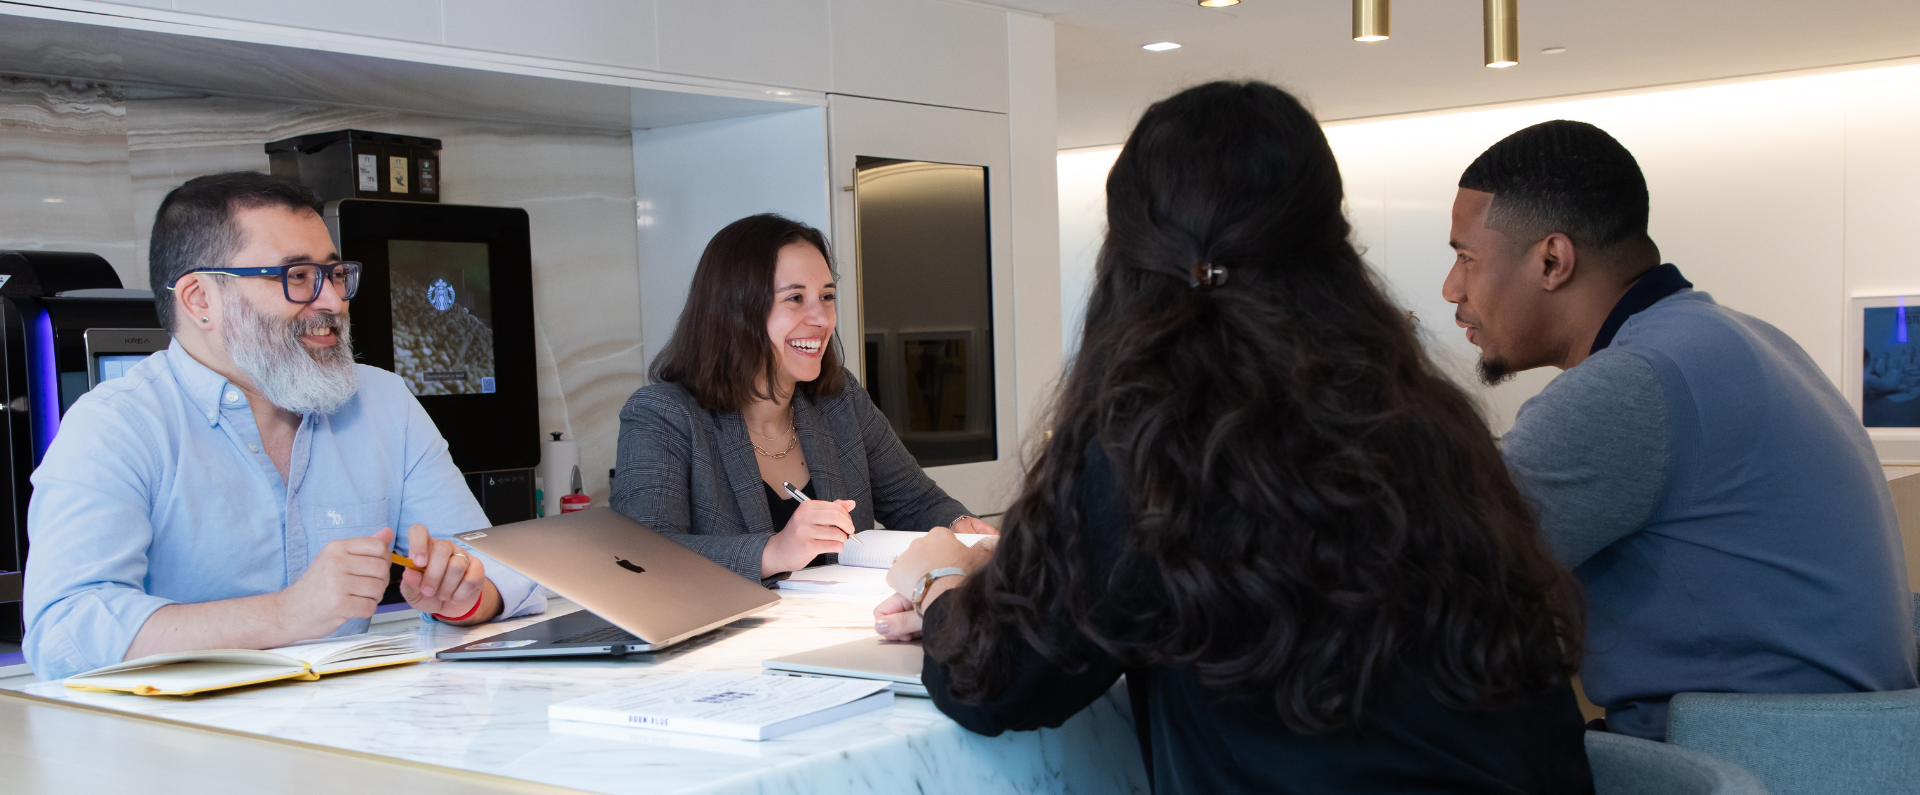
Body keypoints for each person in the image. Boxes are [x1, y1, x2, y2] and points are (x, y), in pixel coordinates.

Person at [874, 82, 1593, 793]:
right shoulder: (1428, 420)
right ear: (1330, 241)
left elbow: (997, 681)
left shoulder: (1156, 439)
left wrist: (942, 582)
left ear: (1128, 251)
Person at [1441, 120, 1918, 740]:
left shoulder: (1637, 382)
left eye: (1465, 258)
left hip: (1736, 766)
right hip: (1847, 761)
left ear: (1553, 261)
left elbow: (1425, 572)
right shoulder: (1744, 341)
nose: (1453, 289)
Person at [23, 172, 544, 681]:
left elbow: (508, 572)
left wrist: (464, 595)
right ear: (200, 298)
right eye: (296, 277)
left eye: (335, 274)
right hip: (178, 750)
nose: (331, 301)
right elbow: (62, 631)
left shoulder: (383, 401)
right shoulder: (115, 426)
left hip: (354, 735)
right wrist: (288, 613)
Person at [612, 214, 992, 583]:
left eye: (827, 297)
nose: (823, 319)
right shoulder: (662, 415)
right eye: (795, 298)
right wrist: (774, 551)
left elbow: (915, 503)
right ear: (733, 310)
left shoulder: (840, 400)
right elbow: (640, 559)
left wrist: (961, 528)